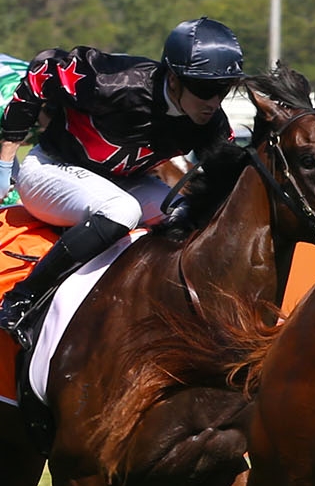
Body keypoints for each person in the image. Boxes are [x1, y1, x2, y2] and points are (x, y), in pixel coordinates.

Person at [0, 17, 244, 344]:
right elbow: (44, 67)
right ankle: (22, 299)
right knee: (122, 210)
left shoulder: (210, 122)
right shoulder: (114, 83)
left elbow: (227, 176)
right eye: (205, 89)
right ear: (173, 80)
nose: (214, 102)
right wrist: (5, 160)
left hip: (118, 183)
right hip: (50, 170)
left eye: (223, 89)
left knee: (188, 214)